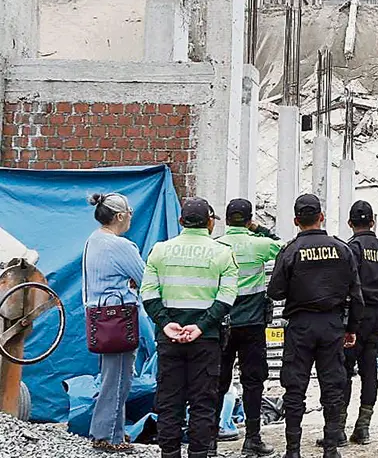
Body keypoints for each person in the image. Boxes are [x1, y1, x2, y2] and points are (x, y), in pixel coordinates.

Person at [140, 198, 239, 458]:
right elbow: (227, 297)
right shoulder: (223, 253)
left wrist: (165, 323)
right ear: (209, 223)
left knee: (169, 402)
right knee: (203, 403)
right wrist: (201, 326)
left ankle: (169, 453)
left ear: (181, 221)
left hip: (169, 339)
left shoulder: (160, 251)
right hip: (206, 340)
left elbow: (148, 293)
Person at [267, 194, 363, 458]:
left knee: (294, 388)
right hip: (331, 325)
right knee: (332, 387)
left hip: (300, 326)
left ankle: (293, 450)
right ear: (321, 217)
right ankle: (331, 448)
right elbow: (356, 294)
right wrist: (351, 328)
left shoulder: (290, 251)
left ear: (296, 220)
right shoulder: (342, 249)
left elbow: (275, 291)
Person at [212, 198, 282, 457]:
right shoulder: (259, 244)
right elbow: (284, 247)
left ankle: (209, 442)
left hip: (221, 324)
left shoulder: (216, 245)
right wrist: (259, 229)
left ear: (227, 219)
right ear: (249, 219)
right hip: (252, 325)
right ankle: (252, 439)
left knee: (217, 382)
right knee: (253, 382)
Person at [83, 193, 145, 454]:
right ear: (120, 216)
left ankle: (112, 430)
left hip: (100, 317)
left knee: (111, 376)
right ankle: (107, 435)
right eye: (129, 212)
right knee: (119, 378)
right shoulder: (121, 246)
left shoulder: (93, 240)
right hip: (118, 318)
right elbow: (144, 277)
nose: (131, 217)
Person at [336, 200, 378, 447]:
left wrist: (344, 323)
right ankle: (363, 428)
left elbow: (345, 287)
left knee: (344, 372)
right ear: (373, 222)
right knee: (370, 372)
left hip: (355, 318)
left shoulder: (351, 249)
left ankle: (338, 429)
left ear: (350, 223)